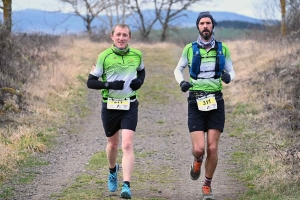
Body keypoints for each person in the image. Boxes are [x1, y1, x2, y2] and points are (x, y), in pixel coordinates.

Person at [174, 11, 235, 200]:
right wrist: (182, 83)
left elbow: (231, 71)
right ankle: (197, 160)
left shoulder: (222, 49)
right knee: (200, 148)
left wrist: (228, 77)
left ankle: (207, 185)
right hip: (196, 99)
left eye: (208, 23)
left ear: (213, 26)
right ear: (198, 27)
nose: (205, 26)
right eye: (202, 23)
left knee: (213, 148)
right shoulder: (189, 49)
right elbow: (178, 69)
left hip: (216, 100)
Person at [86, 23, 146, 199]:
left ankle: (126, 186)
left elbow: (142, 72)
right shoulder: (104, 56)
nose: (121, 38)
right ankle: (113, 170)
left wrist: (139, 82)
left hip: (130, 105)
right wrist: (109, 85)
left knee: (127, 144)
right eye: (118, 35)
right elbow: (90, 82)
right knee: (112, 144)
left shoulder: (137, 55)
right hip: (110, 105)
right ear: (112, 36)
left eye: (125, 35)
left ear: (129, 37)